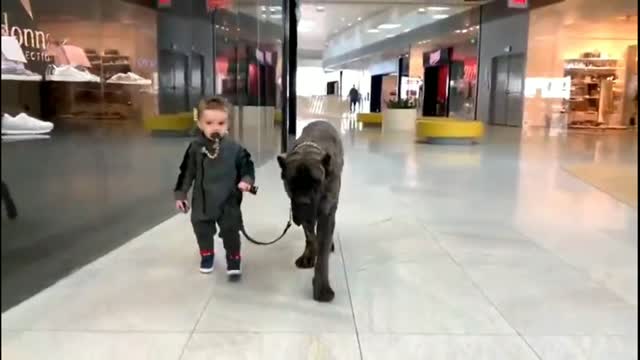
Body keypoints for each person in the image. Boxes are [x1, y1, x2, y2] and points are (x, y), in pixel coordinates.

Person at [174, 96, 255, 276]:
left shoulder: (235, 148)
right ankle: (207, 254)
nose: (215, 127)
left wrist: (247, 181)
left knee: (231, 230)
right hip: (203, 200)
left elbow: (247, 165)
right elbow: (186, 172)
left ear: (228, 125)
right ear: (201, 124)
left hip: (228, 200)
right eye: (209, 122)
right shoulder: (195, 147)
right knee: (202, 229)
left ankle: (234, 258)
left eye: (221, 123)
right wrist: (181, 194)